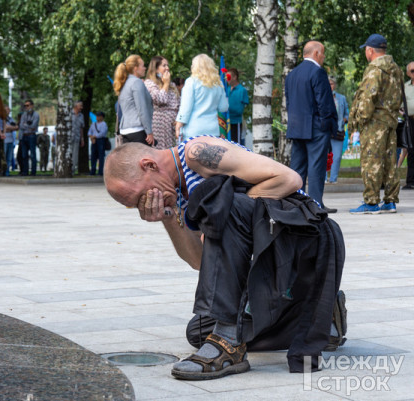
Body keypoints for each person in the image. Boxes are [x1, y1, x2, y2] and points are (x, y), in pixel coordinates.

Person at [104, 137, 345, 380]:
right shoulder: (178, 192)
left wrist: (222, 214)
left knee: (224, 205)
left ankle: (229, 343)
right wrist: (169, 217)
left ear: (149, 165)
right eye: (137, 206)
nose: (144, 205)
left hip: (308, 233)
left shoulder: (197, 153)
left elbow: (289, 179)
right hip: (275, 250)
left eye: (139, 197)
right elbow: (202, 262)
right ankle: (319, 318)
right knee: (199, 331)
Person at [348, 34, 403, 214]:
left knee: (371, 161)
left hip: (374, 123)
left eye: (366, 50)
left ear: (370, 50)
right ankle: (390, 201)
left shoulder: (374, 69)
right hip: (390, 121)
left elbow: (368, 96)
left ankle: (371, 202)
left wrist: (360, 121)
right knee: (389, 161)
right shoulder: (396, 69)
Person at [285, 41, 338, 213]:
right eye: (323, 54)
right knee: (316, 167)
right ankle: (315, 205)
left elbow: (289, 102)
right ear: (316, 53)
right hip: (316, 128)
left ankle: (297, 204)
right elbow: (324, 102)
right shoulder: (318, 72)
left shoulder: (292, 75)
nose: (323, 57)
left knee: (298, 168)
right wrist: (328, 126)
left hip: (296, 128)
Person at [175, 54, 229, 142]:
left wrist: (178, 124)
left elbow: (185, 108)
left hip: (193, 131)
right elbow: (224, 107)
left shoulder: (191, 82)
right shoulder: (218, 83)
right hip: (213, 131)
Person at [113, 54, 154, 146]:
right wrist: (149, 131)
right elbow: (142, 109)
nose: (145, 68)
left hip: (125, 131)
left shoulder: (124, 83)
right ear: (135, 68)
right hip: (137, 130)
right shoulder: (137, 82)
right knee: (145, 159)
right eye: (143, 65)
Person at [144, 56, 180, 149]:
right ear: (156, 69)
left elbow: (179, 103)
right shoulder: (149, 83)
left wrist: (179, 119)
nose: (167, 68)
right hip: (160, 125)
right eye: (164, 65)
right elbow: (161, 100)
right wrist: (166, 84)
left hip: (173, 125)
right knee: (162, 153)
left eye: (167, 65)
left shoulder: (172, 85)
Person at [327, 77, 350, 184]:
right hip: (325, 131)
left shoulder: (341, 98)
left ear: (334, 85)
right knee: (323, 156)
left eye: (331, 83)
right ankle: (323, 178)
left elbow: (347, 113)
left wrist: (344, 120)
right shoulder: (322, 96)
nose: (330, 85)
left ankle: (333, 179)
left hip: (338, 131)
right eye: (328, 83)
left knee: (336, 157)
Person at [227, 68, 249, 145]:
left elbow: (239, 110)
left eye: (228, 77)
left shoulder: (242, 90)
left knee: (236, 145)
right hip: (226, 123)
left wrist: (227, 109)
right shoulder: (227, 89)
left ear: (234, 77)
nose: (227, 79)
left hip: (236, 122)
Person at [401, 61, 414, 190]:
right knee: (410, 150)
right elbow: (400, 103)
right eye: (412, 71)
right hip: (410, 121)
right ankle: (410, 181)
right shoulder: (405, 87)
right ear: (408, 73)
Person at [19, 99, 40, 176]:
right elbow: (21, 125)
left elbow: (33, 126)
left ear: (32, 105)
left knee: (33, 155)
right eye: (25, 106)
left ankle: (33, 172)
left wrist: (26, 125)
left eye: (27, 105)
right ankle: (25, 171)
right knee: (24, 155)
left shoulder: (36, 115)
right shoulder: (24, 114)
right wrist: (28, 125)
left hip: (31, 136)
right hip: (24, 136)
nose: (26, 107)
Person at [88, 111, 108, 175]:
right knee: (93, 156)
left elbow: (102, 133)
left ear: (102, 117)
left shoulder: (104, 124)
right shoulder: (93, 124)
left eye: (99, 116)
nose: (97, 117)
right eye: (97, 116)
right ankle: (92, 171)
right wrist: (91, 137)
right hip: (93, 141)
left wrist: (94, 137)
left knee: (101, 156)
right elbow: (89, 132)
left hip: (100, 141)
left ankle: (100, 171)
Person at [3, 106, 18, 176]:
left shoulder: (10, 119)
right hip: (4, 140)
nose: (8, 111)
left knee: (9, 157)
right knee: (4, 157)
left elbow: (16, 127)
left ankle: (7, 172)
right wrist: (11, 128)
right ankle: (2, 171)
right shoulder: (2, 119)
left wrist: (10, 128)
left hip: (11, 140)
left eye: (8, 110)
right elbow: (5, 127)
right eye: (6, 110)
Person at [71, 101, 85, 173]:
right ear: (76, 106)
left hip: (77, 137)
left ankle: (72, 170)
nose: (81, 108)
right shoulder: (69, 114)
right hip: (69, 138)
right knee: (68, 154)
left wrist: (82, 139)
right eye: (80, 106)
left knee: (75, 155)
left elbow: (81, 128)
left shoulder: (81, 116)